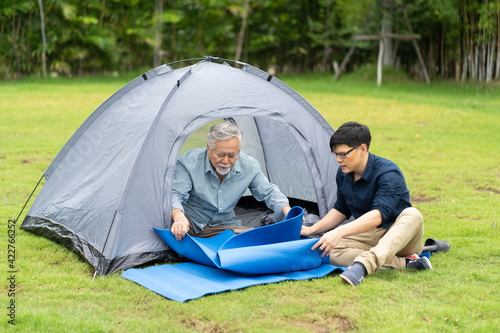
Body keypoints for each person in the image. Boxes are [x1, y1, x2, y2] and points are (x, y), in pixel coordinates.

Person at [301, 121, 432, 286]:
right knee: (326, 249)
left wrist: (339, 232)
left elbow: (378, 216)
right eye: (336, 154)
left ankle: (362, 266)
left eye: (343, 154)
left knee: (413, 214)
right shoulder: (343, 174)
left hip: (401, 237)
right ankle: (406, 263)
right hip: (370, 234)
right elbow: (341, 210)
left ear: (362, 149)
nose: (338, 160)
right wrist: (312, 229)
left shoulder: (388, 173)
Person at [170, 121, 291, 241]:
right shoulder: (188, 163)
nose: (226, 161)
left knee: (258, 238)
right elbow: (175, 195)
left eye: (232, 155)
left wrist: (287, 211)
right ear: (208, 148)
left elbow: (269, 192)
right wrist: (179, 216)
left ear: (239, 151)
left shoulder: (249, 166)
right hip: (190, 224)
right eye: (220, 154)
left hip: (224, 227)